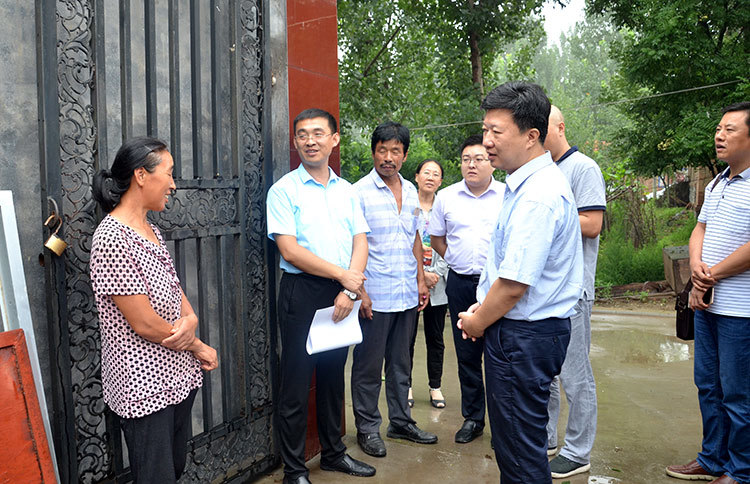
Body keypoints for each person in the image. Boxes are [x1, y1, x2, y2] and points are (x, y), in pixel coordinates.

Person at [457, 81, 583, 484]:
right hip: (522, 333)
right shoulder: (525, 184)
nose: (487, 141)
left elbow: (514, 285)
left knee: (519, 452)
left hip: (523, 337)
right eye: (485, 130)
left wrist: (477, 322)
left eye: (497, 132)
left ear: (531, 136)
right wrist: (483, 307)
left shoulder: (537, 195)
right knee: (516, 445)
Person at [89, 137, 219, 483]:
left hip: (176, 374)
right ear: (141, 175)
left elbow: (174, 287)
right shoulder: (112, 238)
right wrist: (198, 345)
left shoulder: (151, 230)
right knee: (155, 476)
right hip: (143, 384)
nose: (173, 184)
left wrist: (191, 318)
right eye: (169, 173)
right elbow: (144, 323)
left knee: (173, 467)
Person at [266, 108, 376, 484]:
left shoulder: (348, 191)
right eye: (302, 134)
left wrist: (348, 289)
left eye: (317, 133)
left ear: (334, 139)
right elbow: (290, 250)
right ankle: (294, 471)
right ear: (295, 141)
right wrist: (344, 277)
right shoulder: (284, 191)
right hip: (302, 292)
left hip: (342, 292)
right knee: (296, 383)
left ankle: (333, 454)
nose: (310, 141)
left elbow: (360, 241)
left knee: (332, 377)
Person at [666, 101, 750, 484]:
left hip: (740, 311)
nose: (719, 135)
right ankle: (712, 459)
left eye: (729, 129)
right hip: (708, 306)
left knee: (738, 394)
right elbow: (699, 229)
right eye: (718, 129)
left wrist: (710, 275)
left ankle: (741, 470)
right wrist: (697, 267)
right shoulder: (718, 183)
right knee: (708, 386)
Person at [352, 121, 437, 459]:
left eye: (395, 151)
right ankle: (368, 428)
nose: (388, 157)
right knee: (369, 367)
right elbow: (352, 244)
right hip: (374, 294)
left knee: (401, 364)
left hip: (405, 294)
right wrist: (360, 292)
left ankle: (400, 422)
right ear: (374, 152)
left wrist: (420, 280)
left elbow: (414, 237)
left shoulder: (412, 192)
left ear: (404, 155)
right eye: (382, 150)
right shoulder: (358, 192)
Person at [543, 105, 606, 478]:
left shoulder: (583, 168)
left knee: (575, 373)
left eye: (543, 126)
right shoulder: (543, 171)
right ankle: (548, 438)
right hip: (546, 290)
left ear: (560, 127)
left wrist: (545, 215)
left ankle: (578, 451)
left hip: (573, 290)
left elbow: (592, 223)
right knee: (547, 372)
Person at [429, 134, 505, 443]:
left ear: (492, 163)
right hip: (460, 283)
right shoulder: (446, 197)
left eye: (479, 159)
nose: (471, 164)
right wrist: (456, 260)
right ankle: (473, 419)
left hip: (499, 286)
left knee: (500, 353)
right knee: (467, 354)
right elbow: (437, 239)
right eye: (466, 159)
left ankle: (503, 424)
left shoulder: (508, 194)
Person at [408, 159, 449, 409]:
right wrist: (420, 275)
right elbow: (403, 240)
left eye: (436, 174)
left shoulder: (444, 207)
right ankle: (406, 386)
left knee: (436, 338)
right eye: (426, 173)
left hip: (438, 283)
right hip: (411, 282)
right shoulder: (408, 206)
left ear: (440, 181)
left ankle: (435, 387)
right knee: (407, 337)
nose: (430, 177)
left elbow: (450, 243)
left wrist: (435, 273)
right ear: (417, 177)